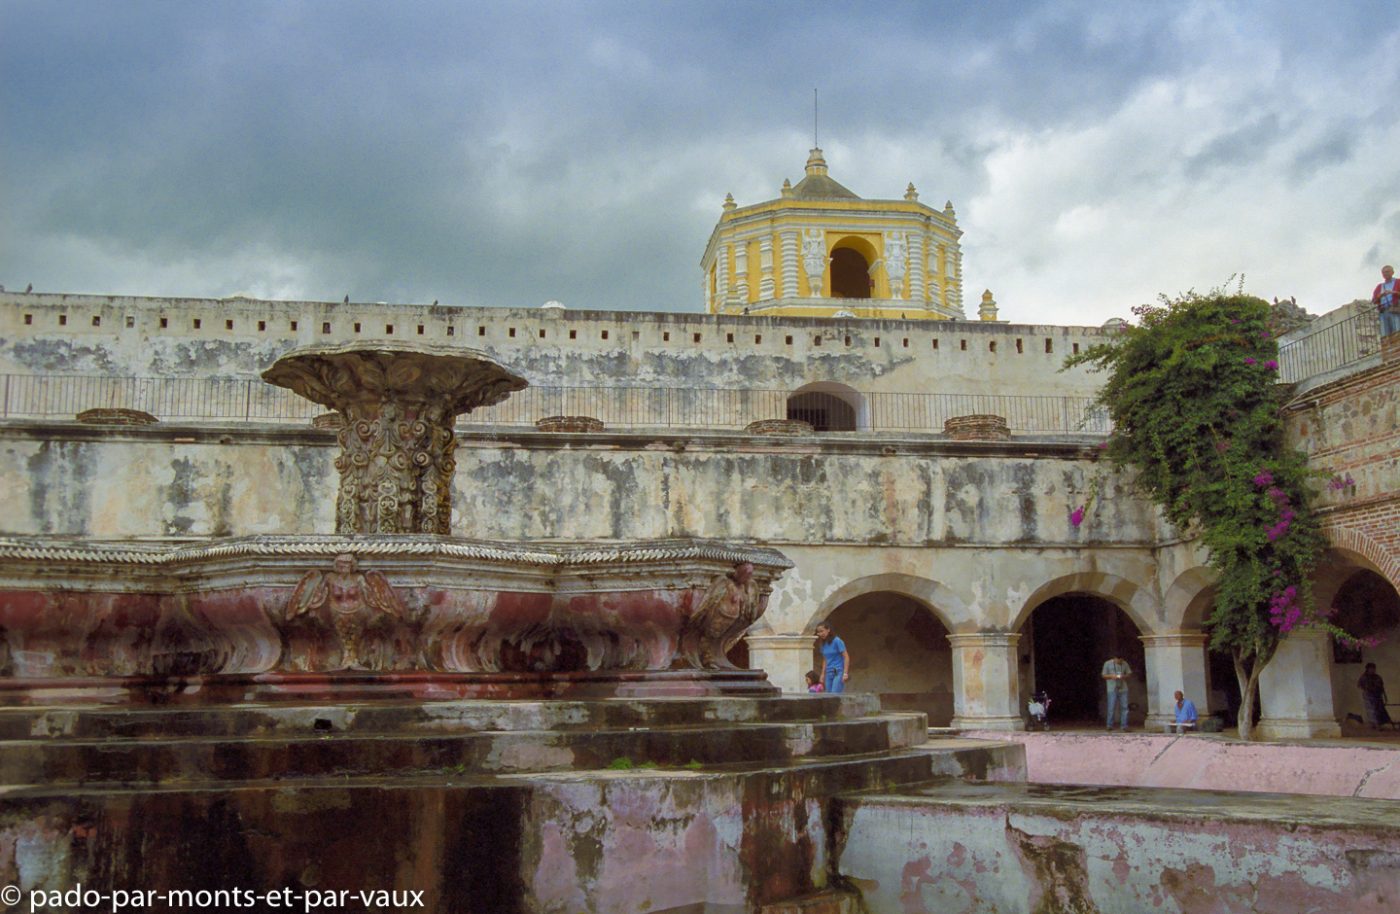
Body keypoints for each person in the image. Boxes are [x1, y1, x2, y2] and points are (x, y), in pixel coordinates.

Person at [815, 622, 850, 694]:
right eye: (818, 632)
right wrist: (822, 674)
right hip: (828, 672)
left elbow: (846, 657)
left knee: (834, 694)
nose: (821, 634)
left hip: (838, 671)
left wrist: (845, 673)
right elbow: (825, 659)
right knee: (828, 695)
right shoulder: (822, 644)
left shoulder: (837, 641)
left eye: (822, 631)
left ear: (828, 630)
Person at [1101, 654, 1132, 731]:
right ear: (1114, 658)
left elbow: (1129, 673)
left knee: (1124, 707)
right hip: (1112, 688)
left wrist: (1123, 676)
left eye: (1121, 660)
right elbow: (1103, 675)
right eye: (1118, 660)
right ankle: (1109, 725)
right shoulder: (1107, 663)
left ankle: (1124, 726)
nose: (1120, 662)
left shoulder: (1125, 663)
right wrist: (1112, 676)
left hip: (1123, 688)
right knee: (1111, 707)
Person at [1358, 662, 1391, 729]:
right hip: (1369, 696)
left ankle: (1379, 724)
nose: (1372, 670)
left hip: (1377, 696)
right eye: (1371, 668)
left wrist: (1384, 696)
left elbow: (1382, 687)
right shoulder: (1364, 677)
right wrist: (1367, 689)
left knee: (1379, 710)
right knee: (1372, 710)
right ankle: (1375, 724)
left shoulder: (1377, 677)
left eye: (1373, 668)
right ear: (1367, 669)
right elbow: (1360, 685)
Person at [1374, 265, 1400, 336]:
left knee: (1397, 331)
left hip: (1395, 309)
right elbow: (1374, 300)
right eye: (1383, 272)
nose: (1385, 274)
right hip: (1383, 311)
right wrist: (1380, 295)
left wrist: (1393, 292)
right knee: (1385, 334)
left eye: (1387, 272)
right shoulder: (1380, 286)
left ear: (1392, 272)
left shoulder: (1398, 282)